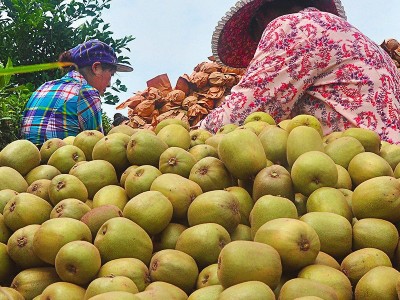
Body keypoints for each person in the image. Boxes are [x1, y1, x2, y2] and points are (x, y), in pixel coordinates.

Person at [198, 0, 400, 144]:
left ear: (261, 18)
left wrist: (193, 134)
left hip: (360, 165)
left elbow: (243, 115)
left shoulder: (292, 27)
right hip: (389, 163)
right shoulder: (368, 45)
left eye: (257, 37)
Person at [21, 39, 133, 146]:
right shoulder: (87, 92)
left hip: (27, 160)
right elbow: (98, 147)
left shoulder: (43, 87)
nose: (109, 84)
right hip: (61, 162)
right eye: (111, 74)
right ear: (96, 68)